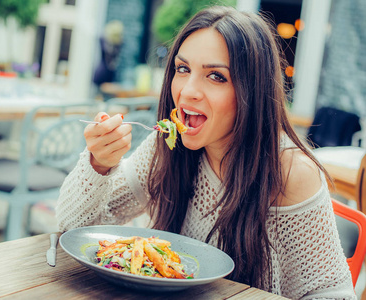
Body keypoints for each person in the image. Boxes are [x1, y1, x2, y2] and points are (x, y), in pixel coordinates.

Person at [56, 6, 355, 299]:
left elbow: (332, 294)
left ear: (252, 91)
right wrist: (98, 165)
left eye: (216, 76)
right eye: (183, 69)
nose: (187, 91)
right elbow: (71, 230)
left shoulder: (290, 173)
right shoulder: (167, 147)